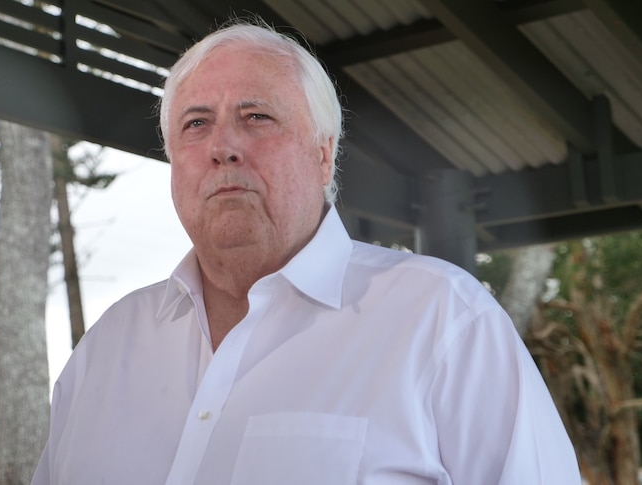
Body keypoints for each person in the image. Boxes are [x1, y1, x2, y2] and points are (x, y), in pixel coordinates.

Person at [30, 19, 581, 485]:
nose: (222, 147)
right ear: (174, 160)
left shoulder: (443, 318)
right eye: (196, 124)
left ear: (323, 155)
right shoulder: (107, 347)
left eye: (257, 118)